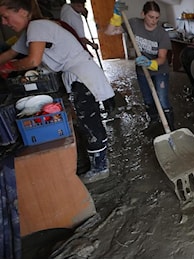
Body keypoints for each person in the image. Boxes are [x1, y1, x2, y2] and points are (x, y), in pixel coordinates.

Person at [0, 0, 115, 184]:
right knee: (88, 121)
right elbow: (10, 54)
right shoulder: (31, 31)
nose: (4, 22)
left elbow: (32, 62)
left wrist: (9, 67)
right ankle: (98, 163)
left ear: (22, 12)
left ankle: (100, 167)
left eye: (6, 17)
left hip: (81, 77)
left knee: (89, 123)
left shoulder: (37, 26)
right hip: (76, 76)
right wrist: (6, 62)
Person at [105, 1, 174, 132]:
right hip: (142, 71)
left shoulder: (161, 33)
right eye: (151, 17)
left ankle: (171, 128)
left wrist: (150, 63)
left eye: (156, 18)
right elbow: (109, 32)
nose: (154, 21)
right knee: (148, 100)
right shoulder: (134, 24)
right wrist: (116, 16)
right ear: (143, 14)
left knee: (162, 100)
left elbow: (162, 58)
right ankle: (154, 124)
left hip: (160, 71)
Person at [60, 0, 117, 119]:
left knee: (97, 80)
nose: (81, 8)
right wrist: (92, 45)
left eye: (83, 6)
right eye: (80, 6)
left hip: (73, 52)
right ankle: (109, 107)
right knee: (98, 81)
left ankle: (107, 105)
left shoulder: (66, 8)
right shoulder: (74, 18)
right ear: (75, 5)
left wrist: (82, 11)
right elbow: (81, 38)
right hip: (77, 52)